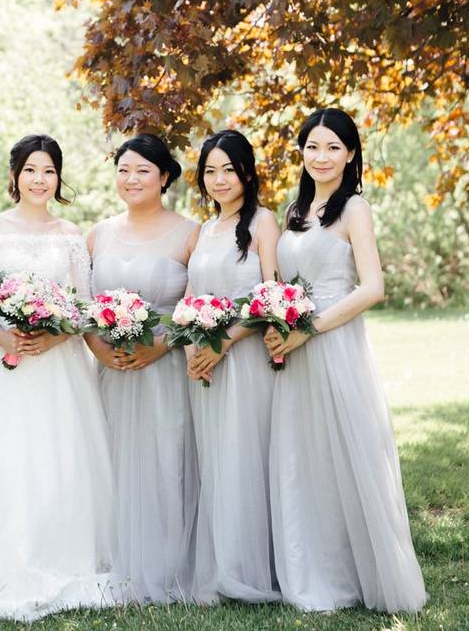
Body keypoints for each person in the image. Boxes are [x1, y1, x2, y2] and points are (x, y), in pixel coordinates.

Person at [0, 134, 114, 622]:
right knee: (0, 457)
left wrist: (55, 335)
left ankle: (61, 550)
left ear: (58, 177)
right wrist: (2, 334)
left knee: (60, 457)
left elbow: (84, 304)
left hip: (59, 365)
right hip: (5, 365)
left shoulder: (72, 233)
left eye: (49, 171)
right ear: (15, 176)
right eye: (31, 170)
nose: (39, 180)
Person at [264, 107, 427, 613]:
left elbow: (373, 287)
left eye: (333, 146)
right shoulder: (293, 210)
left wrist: (308, 329)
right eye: (313, 146)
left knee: (348, 454)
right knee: (305, 458)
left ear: (351, 154)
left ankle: (363, 573)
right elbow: (279, 282)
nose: (322, 156)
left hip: (334, 345)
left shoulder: (354, 208)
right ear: (301, 152)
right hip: (293, 353)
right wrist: (278, 322)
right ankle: (313, 570)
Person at [86, 133, 199, 604]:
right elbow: (83, 306)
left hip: (165, 369)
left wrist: (161, 345)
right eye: (123, 170)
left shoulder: (191, 233)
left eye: (143, 171)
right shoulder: (98, 234)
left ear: (165, 177)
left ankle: (167, 562)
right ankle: (110, 558)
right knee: (108, 460)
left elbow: (199, 305)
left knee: (164, 456)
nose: (131, 180)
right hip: (111, 370)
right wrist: (97, 346)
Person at [186, 129, 282, 604]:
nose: (219, 179)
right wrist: (193, 349)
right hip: (206, 364)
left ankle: (255, 568)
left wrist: (223, 342)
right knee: (217, 459)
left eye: (228, 169)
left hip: (246, 361)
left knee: (248, 456)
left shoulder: (264, 222)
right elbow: (189, 298)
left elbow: (272, 295)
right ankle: (223, 562)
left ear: (247, 171)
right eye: (210, 171)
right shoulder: (204, 229)